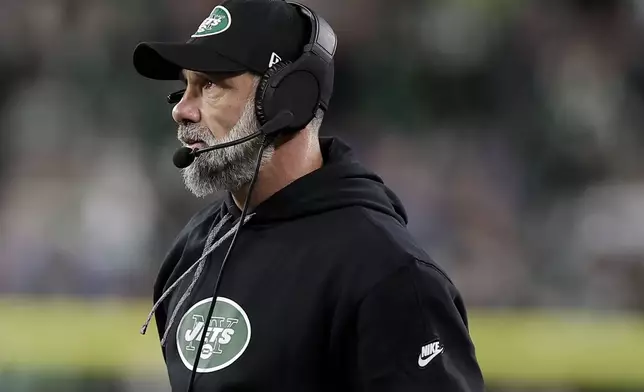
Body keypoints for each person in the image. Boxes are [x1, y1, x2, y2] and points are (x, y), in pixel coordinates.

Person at [132, 0, 485, 391]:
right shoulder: (193, 252)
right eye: (186, 87)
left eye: (211, 85)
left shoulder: (385, 272)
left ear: (288, 98)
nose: (181, 110)